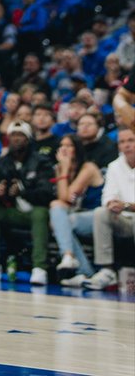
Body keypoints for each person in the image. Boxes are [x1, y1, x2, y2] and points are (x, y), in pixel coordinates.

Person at [0, 122, 55, 284]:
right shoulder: (2, 162)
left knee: (40, 214)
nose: (16, 139)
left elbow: (46, 194)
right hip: (13, 211)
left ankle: (39, 267)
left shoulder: (42, 162)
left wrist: (22, 190)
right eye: (13, 135)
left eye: (20, 135)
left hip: (33, 211)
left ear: (28, 139)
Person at [84, 125, 135, 291]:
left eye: (131, 141)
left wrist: (126, 205)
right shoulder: (114, 166)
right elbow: (107, 197)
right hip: (123, 220)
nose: (126, 145)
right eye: (122, 142)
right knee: (100, 213)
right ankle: (106, 270)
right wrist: (112, 204)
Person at [49, 134, 104, 281]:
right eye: (62, 145)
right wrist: (63, 169)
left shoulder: (88, 168)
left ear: (77, 149)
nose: (64, 149)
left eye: (69, 145)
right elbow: (63, 202)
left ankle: (81, 268)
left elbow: (67, 197)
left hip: (97, 215)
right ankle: (77, 265)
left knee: (63, 221)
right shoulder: (59, 168)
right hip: (75, 214)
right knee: (58, 212)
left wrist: (64, 170)